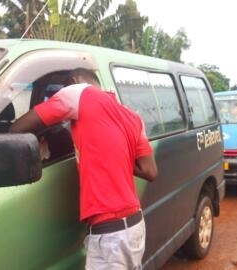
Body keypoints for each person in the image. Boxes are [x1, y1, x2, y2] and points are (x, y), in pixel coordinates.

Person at [9, 68, 158, 269]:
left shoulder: (77, 93)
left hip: (110, 233)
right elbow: (150, 171)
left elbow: (17, 128)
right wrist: (111, 155)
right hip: (134, 226)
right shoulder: (132, 117)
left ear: (74, 81)